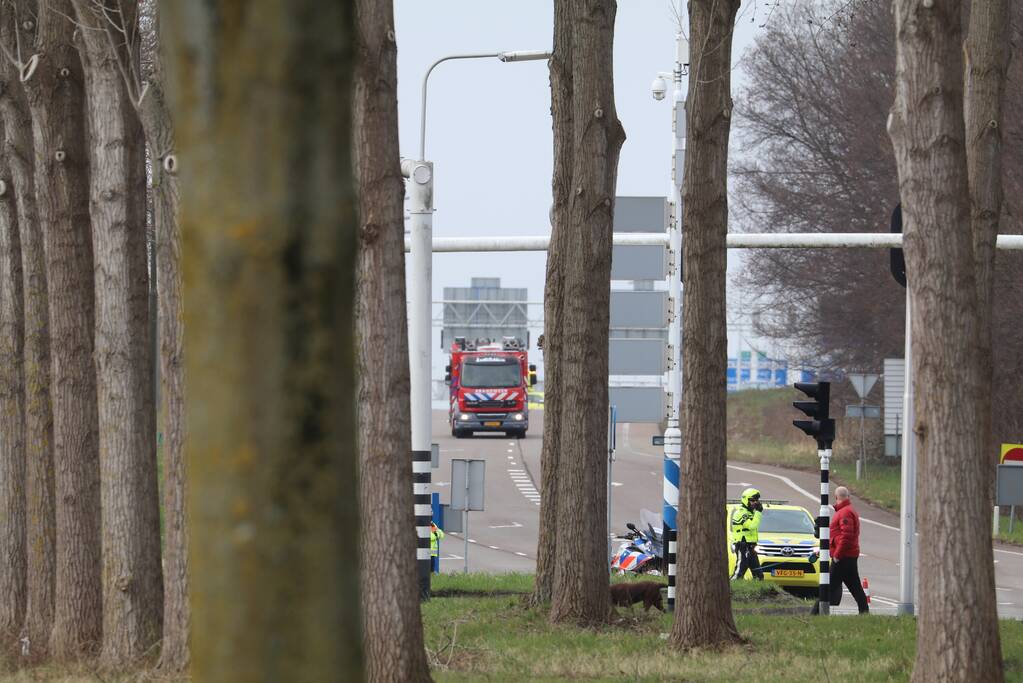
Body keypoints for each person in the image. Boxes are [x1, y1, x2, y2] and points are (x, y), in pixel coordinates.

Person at [812, 486, 869, 614]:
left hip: (843, 557)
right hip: (848, 556)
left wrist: (837, 555)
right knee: (855, 587)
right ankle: (864, 612)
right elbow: (839, 536)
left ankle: (814, 614)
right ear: (848, 497)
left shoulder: (845, 513)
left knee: (827, 587)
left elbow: (846, 536)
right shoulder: (847, 511)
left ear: (836, 497)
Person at [731, 487, 764, 580]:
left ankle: (759, 593)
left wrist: (756, 513)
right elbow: (752, 526)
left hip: (752, 546)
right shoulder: (741, 513)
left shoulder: (751, 513)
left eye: (756, 500)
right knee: (739, 573)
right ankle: (730, 589)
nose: (755, 503)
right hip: (743, 546)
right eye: (752, 500)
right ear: (746, 500)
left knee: (759, 575)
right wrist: (758, 512)